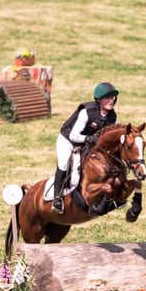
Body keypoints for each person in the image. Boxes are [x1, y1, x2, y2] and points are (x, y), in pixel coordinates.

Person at [51, 82, 120, 215]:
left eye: (113, 98)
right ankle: (57, 198)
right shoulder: (87, 112)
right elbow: (74, 135)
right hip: (68, 140)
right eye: (108, 97)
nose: (111, 100)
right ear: (99, 99)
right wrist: (87, 138)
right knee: (64, 162)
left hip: (86, 145)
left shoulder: (113, 117)